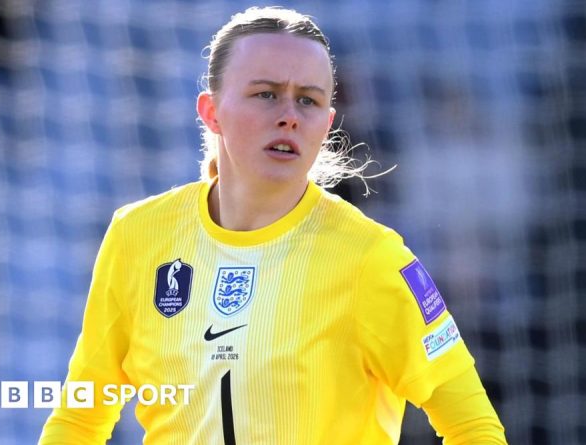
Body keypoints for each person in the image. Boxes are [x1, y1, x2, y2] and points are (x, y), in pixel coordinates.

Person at [39, 6, 506, 444]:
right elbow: (81, 416)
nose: (288, 116)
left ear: (327, 123)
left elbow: (473, 426)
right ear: (211, 111)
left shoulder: (371, 258)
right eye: (266, 94)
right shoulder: (137, 235)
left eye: (308, 100)